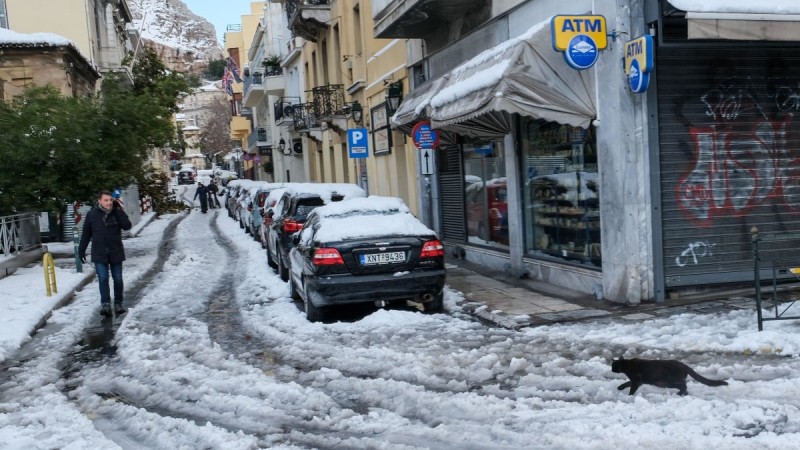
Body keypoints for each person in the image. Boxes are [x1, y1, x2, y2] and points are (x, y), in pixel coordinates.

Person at [78, 190, 132, 317]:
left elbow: (127, 226)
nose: (109, 203)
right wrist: (81, 250)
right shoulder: (92, 215)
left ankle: (118, 303)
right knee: (103, 278)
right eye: (106, 200)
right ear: (100, 201)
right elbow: (86, 234)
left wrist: (119, 211)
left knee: (118, 279)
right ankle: (106, 305)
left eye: (110, 200)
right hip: (99, 252)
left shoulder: (117, 212)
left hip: (115, 251)